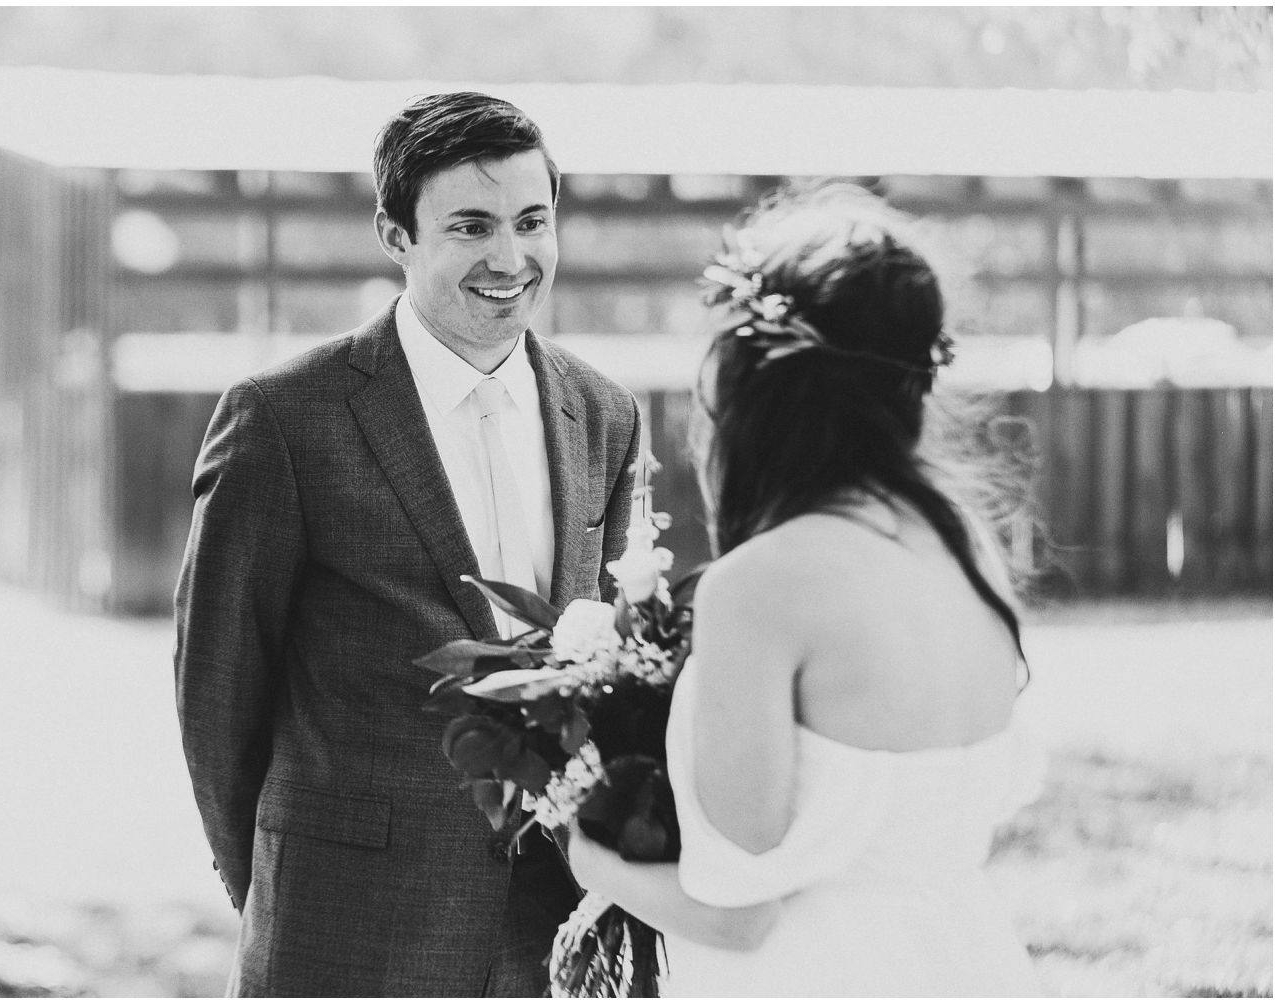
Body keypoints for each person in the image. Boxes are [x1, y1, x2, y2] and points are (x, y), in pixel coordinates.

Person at [173, 91, 640, 996]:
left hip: (551, 931)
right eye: (470, 226)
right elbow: (217, 690)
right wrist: (274, 882)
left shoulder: (605, 414)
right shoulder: (282, 418)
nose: (510, 258)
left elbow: (612, 674)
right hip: (342, 923)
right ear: (396, 234)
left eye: (532, 221)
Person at [566, 182, 1045, 996]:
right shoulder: (965, 548)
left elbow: (736, 908)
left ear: (757, 392)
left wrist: (584, 851)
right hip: (968, 962)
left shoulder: (762, 587)